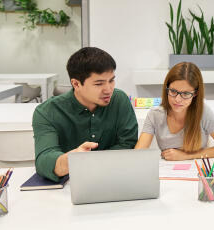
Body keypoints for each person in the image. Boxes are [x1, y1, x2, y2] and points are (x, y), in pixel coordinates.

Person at [33, 47, 138, 182]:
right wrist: (74, 159)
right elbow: (44, 161)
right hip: (69, 186)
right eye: (99, 83)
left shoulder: (119, 99)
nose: (108, 89)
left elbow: (128, 144)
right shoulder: (47, 112)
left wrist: (92, 161)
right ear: (76, 84)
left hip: (114, 179)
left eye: (111, 80)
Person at [135, 62, 214, 160]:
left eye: (185, 94)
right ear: (166, 88)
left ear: (195, 93)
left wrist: (186, 156)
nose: (177, 99)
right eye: (173, 91)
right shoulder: (154, 114)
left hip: (197, 171)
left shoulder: (203, 112)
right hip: (167, 171)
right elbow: (138, 153)